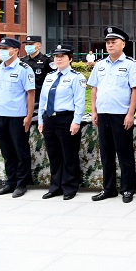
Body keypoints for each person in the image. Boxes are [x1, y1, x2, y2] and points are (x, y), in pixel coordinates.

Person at [88, 27, 136, 203]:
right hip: (103, 114)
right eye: (108, 42)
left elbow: (135, 91)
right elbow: (94, 89)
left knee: (124, 154)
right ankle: (108, 188)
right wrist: (94, 111)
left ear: (123, 44)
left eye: (114, 42)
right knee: (106, 154)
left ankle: (127, 189)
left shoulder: (130, 64)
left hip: (121, 115)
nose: (110, 45)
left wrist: (130, 114)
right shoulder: (100, 65)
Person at [39, 44, 87, 200]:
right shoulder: (49, 77)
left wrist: (76, 121)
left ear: (70, 59)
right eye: (56, 56)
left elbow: (79, 101)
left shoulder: (76, 77)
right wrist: (41, 120)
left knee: (69, 154)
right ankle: (55, 186)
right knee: (53, 154)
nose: (58, 59)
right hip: (49, 118)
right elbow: (43, 100)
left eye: (62, 56)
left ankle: (70, 187)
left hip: (66, 118)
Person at [0, 38, 35, 198]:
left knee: (20, 150)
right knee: (7, 151)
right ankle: (10, 182)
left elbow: (30, 94)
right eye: (0, 48)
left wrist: (28, 116)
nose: (1, 51)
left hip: (17, 116)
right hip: (0, 115)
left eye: (5, 48)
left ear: (15, 50)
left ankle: (21, 183)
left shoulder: (24, 69)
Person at [21, 35, 54, 103]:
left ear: (39, 46)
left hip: (41, 96)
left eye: (31, 44)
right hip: (26, 96)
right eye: (26, 44)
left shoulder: (47, 60)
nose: (28, 46)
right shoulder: (23, 60)